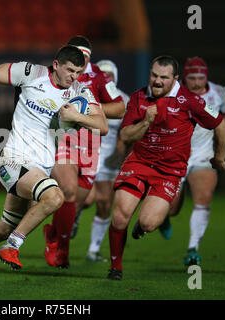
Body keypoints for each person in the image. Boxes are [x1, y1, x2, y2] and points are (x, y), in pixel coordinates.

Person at [0, 45, 108, 283]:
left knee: (4, 227)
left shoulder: (79, 91)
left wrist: (76, 117)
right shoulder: (32, 73)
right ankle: (13, 246)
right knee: (54, 198)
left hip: (38, 169)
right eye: (70, 70)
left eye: (78, 72)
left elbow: (102, 126)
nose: (73, 76)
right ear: (56, 65)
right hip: (13, 159)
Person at [107, 55, 225, 280]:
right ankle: (116, 267)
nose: (157, 81)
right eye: (154, 75)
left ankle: (143, 227)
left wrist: (219, 156)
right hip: (139, 162)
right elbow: (125, 134)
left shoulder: (189, 100)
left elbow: (221, 123)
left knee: (148, 222)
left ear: (175, 79)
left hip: (169, 171)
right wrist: (145, 122)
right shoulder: (138, 98)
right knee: (120, 216)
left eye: (164, 77)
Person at [43, 36, 125, 268]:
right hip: (63, 141)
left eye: (86, 57)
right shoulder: (55, 72)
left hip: (91, 146)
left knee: (74, 203)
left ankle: (54, 237)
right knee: (67, 190)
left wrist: (88, 109)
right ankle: (60, 250)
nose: (81, 61)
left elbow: (120, 108)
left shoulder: (100, 77)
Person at [158, 57, 225, 266]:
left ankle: (192, 248)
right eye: (191, 78)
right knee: (172, 208)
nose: (196, 82)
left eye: (200, 78)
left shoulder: (220, 93)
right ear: (185, 77)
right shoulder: (173, 93)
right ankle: (164, 217)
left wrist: (223, 145)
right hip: (175, 156)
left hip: (203, 155)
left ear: (206, 77)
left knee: (204, 196)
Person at [73, 60, 131, 262]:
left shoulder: (123, 101)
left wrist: (122, 148)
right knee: (86, 199)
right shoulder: (81, 94)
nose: (107, 78)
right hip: (86, 151)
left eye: (111, 75)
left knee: (105, 203)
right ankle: (70, 223)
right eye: (104, 74)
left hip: (108, 159)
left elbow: (129, 131)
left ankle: (93, 250)